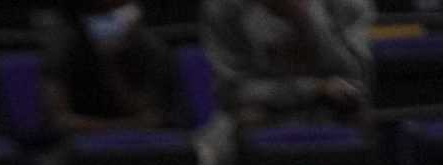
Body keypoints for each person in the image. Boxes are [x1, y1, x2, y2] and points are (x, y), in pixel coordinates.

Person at [201, 0, 371, 129]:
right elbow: (232, 90)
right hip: (257, 114)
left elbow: (355, 77)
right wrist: (316, 88)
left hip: (332, 110)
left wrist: (303, 19)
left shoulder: (346, 4)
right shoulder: (225, 6)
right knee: (234, 127)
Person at [42, 0, 180, 135]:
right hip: (77, 144)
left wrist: (111, 65)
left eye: (117, 8)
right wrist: (121, 127)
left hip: (141, 142)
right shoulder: (64, 48)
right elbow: (59, 120)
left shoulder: (151, 49)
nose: (111, 16)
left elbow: (152, 117)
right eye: (101, 11)